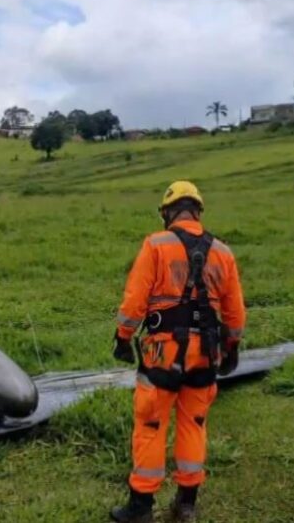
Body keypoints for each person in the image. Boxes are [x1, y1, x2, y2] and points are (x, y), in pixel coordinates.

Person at [110, 181, 246, 522]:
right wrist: (232, 347)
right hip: (205, 353)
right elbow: (234, 311)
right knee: (193, 423)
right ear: (197, 212)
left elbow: (134, 302)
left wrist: (123, 337)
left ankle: (140, 507)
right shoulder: (224, 252)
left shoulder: (155, 244)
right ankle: (186, 504)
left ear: (167, 212)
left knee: (151, 425)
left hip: (163, 352)